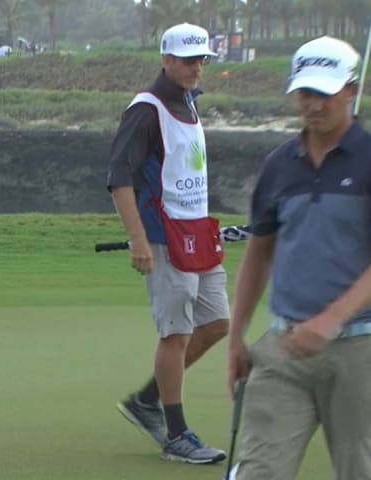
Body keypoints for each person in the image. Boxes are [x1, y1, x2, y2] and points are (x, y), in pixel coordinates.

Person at [227, 35, 371, 480]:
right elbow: (259, 251)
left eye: (325, 93)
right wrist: (237, 335)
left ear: (350, 90)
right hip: (283, 349)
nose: (313, 105)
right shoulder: (279, 164)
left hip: (360, 350)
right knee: (259, 471)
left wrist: (330, 319)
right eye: (306, 93)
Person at [106, 22, 228, 464]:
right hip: (162, 236)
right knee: (175, 334)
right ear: (167, 59)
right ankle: (176, 434)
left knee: (216, 323)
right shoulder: (147, 109)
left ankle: (146, 400)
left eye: (202, 59)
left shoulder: (190, 104)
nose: (197, 67)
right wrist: (138, 239)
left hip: (197, 235)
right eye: (188, 59)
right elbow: (120, 178)